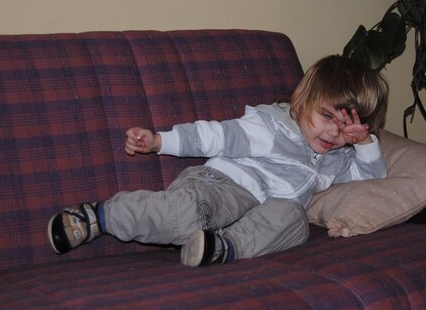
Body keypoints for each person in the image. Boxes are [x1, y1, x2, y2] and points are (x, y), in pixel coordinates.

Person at [47, 54, 389, 267]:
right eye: (326, 116)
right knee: (184, 215)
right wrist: (159, 141)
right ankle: (100, 217)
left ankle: (221, 248)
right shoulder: (271, 127)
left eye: (345, 128)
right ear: (303, 100)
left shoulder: (335, 160)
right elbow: (215, 135)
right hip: (221, 187)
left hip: (254, 215)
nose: (332, 133)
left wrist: (364, 144)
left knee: (293, 220)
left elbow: (371, 177)